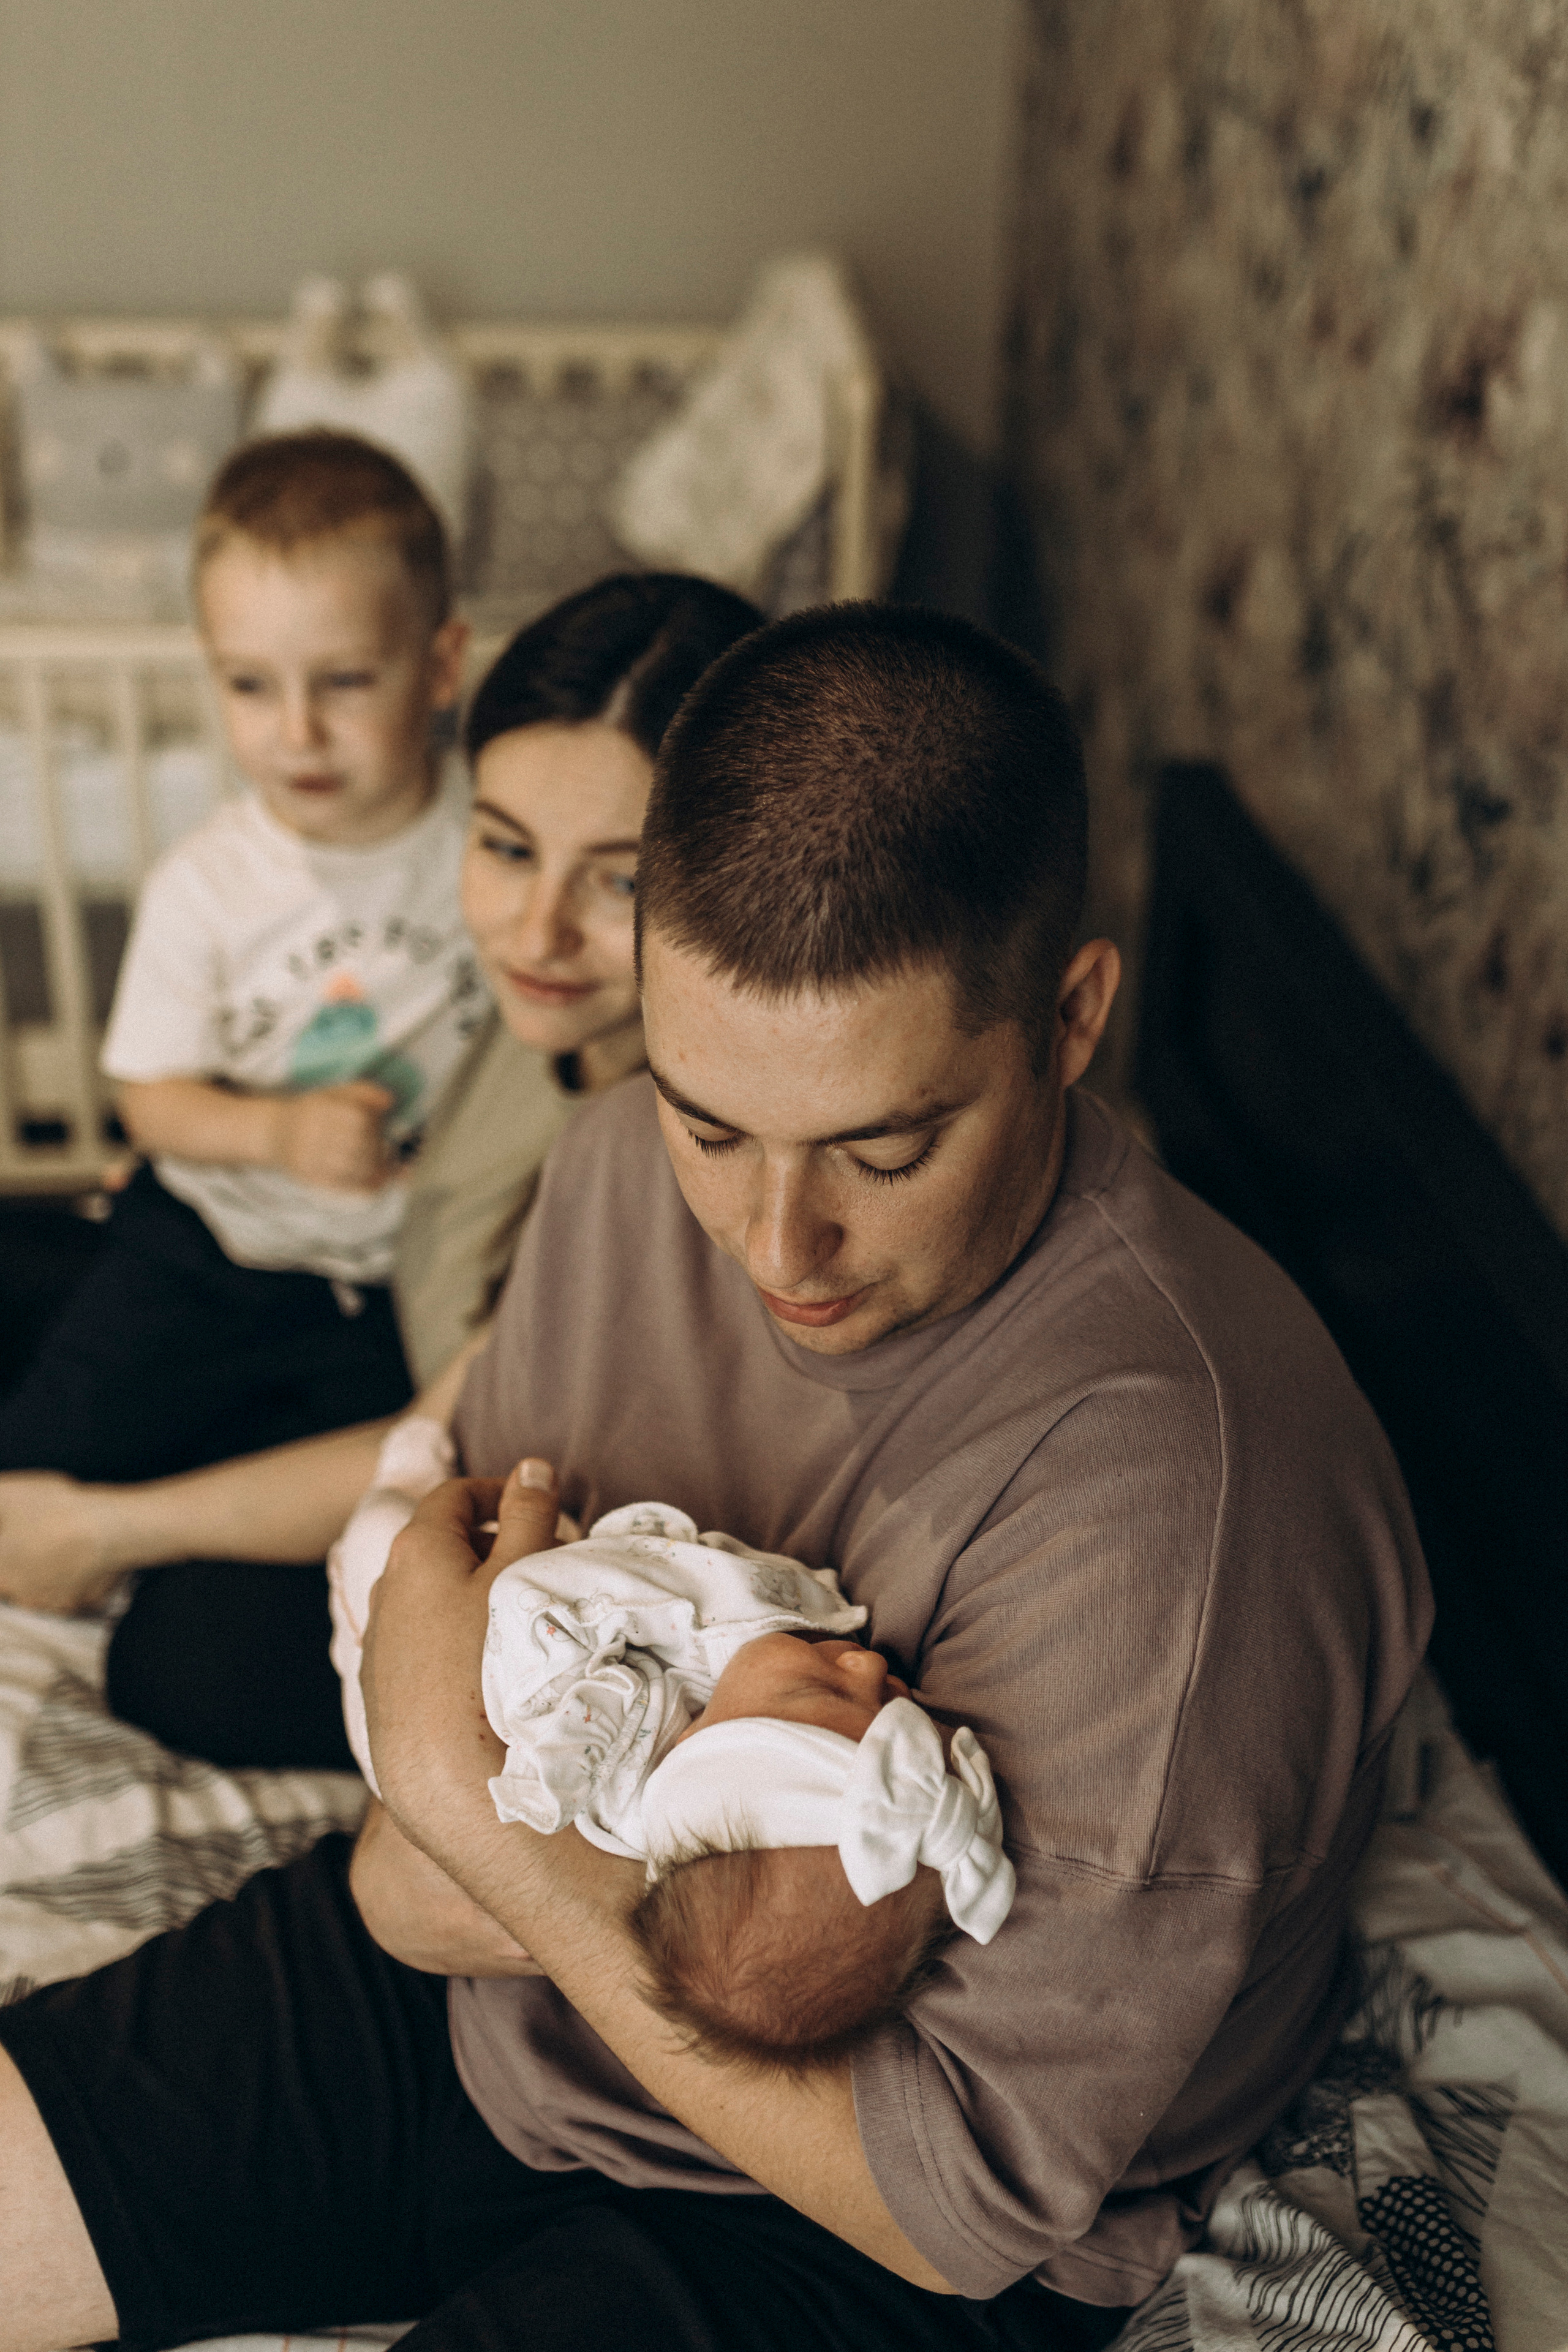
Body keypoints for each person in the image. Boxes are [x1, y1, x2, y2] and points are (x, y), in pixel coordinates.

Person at [0, 604, 1432, 2352]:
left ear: (1068, 1019)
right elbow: (401, 1880)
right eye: (709, 1123)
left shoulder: (1184, 1503)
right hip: (492, 2028)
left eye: (882, 1148)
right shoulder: (609, 1171)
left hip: (840, 2223)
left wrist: (483, 1834)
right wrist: (452, 1822)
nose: (778, 1244)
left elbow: (947, 2204)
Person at [0, 568, 761, 1770]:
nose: (534, 930)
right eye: (507, 848)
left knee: (179, 1654)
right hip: (354, 1314)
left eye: (621, 878)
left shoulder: (666, 1152)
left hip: (454, 1474)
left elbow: (437, 1432)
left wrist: (98, 1531)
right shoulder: (535, 1007)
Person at [0, 430, 478, 1488]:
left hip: (391, 1281)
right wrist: (278, 1132)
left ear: (441, 667)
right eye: (251, 686)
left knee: (356, 1489)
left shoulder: (490, 850)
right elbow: (151, 1102)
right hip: (212, 1246)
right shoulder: (207, 883)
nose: (296, 732)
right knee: (57, 1450)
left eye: (345, 681)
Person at [329, 1453, 1013, 2066]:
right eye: (895, 1708)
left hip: (459, 1685)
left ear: (693, 1747)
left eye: (820, 1685)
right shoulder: (725, 1791)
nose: (869, 1665)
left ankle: (400, 1465)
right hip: (428, 1797)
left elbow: (532, 1606)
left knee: (382, 1533)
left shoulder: (619, 1728)